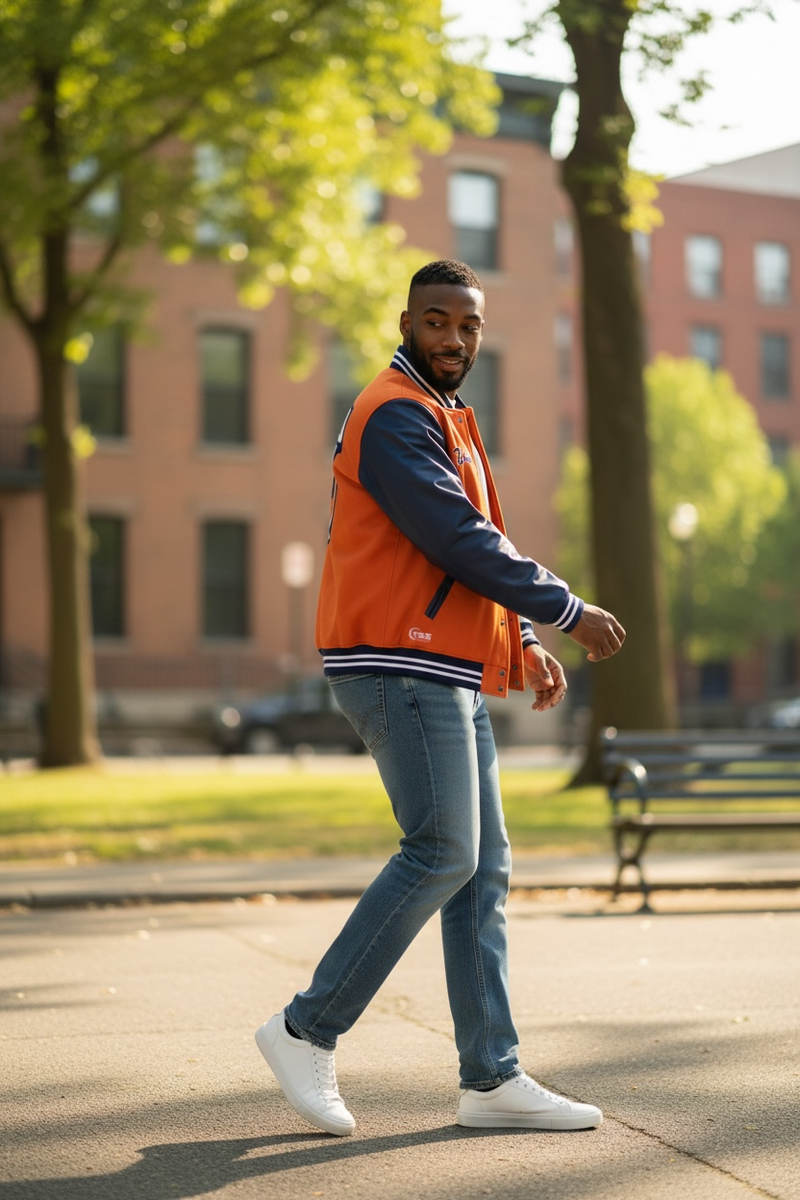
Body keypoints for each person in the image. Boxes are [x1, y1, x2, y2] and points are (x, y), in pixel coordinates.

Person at [256, 260, 625, 1137]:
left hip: (444, 667)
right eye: (436, 321)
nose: (453, 338)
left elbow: (474, 543)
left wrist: (525, 642)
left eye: (468, 325)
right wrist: (565, 609)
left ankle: (490, 1078)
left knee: (481, 868)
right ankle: (305, 1029)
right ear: (407, 322)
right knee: (442, 851)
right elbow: (455, 537)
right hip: (396, 665)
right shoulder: (393, 414)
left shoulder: (448, 415)